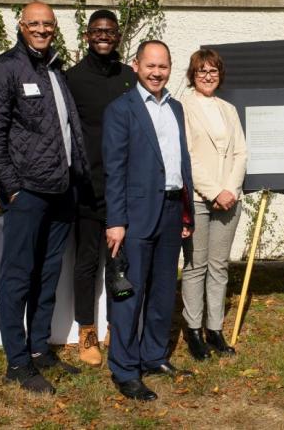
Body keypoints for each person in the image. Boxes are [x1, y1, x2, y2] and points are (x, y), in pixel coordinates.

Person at [0, 1, 89, 394]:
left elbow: (66, 128)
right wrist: (11, 185)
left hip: (61, 191)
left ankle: (40, 349)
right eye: (35, 24)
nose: (42, 30)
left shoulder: (54, 68)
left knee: (47, 273)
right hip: (27, 193)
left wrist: (78, 177)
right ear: (21, 26)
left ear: (55, 29)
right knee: (18, 275)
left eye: (48, 24)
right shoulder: (4, 69)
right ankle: (17, 361)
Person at [103, 40, 194, 401]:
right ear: (136, 65)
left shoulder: (177, 108)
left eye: (164, 66)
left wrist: (185, 212)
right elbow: (114, 169)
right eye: (150, 65)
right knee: (130, 293)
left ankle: (153, 356)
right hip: (135, 216)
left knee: (161, 292)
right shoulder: (120, 110)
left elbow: (179, 163)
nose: (157, 72)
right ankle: (125, 369)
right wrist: (116, 220)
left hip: (172, 211)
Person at [65, 9, 136, 366]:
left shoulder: (129, 77)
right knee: (87, 263)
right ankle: (87, 331)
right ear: (87, 36)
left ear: (118, 36)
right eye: (97, 31)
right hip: (87, 187)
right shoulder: (73, 79)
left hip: (122, 189)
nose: (103, 36)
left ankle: (116, 329)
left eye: (109, 31)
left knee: (118, 262)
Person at [179, 48, 248, 361]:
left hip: (229, 199)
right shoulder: (183, 107)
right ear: (192, 74)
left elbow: (240, 154)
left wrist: (230, 189)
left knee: (220, 266)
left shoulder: (229, 109)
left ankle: (214, 328)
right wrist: (213, 191)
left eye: (213, 71)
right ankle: (193, 330)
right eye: (201, 70)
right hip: (198, 198)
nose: (208, 76)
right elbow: (187, 157)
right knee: (195, 267)